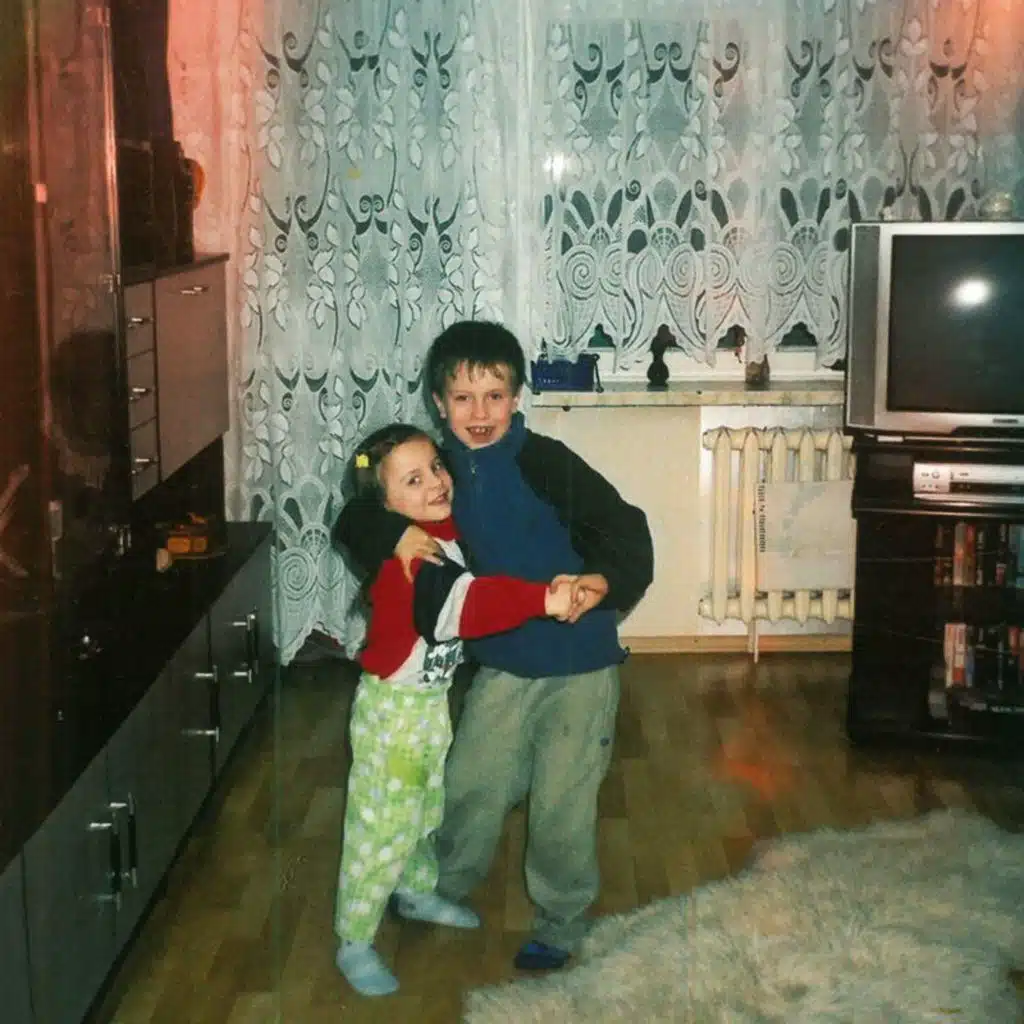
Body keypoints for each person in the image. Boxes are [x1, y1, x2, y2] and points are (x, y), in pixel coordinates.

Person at [334, 321, 654, 972]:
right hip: (502, 663)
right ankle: (440, 887)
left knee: (562, 806)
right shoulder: (437, 469)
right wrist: (392, 534)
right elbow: (359, 498)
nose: (479, 413)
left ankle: (561, 922)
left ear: (517, 397)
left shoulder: (547, 464)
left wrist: (603, 581)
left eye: (495, 396)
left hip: (580, 663)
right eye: (462, 398)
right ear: (437, 403)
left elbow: (625, 528)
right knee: (470, 785)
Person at [332, 422, 579, 997]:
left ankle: (416, 893)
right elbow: (466, 606)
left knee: (424, 811)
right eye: (413, 481)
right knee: (380, 828)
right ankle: (354, 940)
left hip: (427, 707)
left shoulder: (441, 533)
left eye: (436, 468)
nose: (436, 482)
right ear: (387, 506)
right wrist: (542, 599)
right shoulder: (412, 562)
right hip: (392, 715)